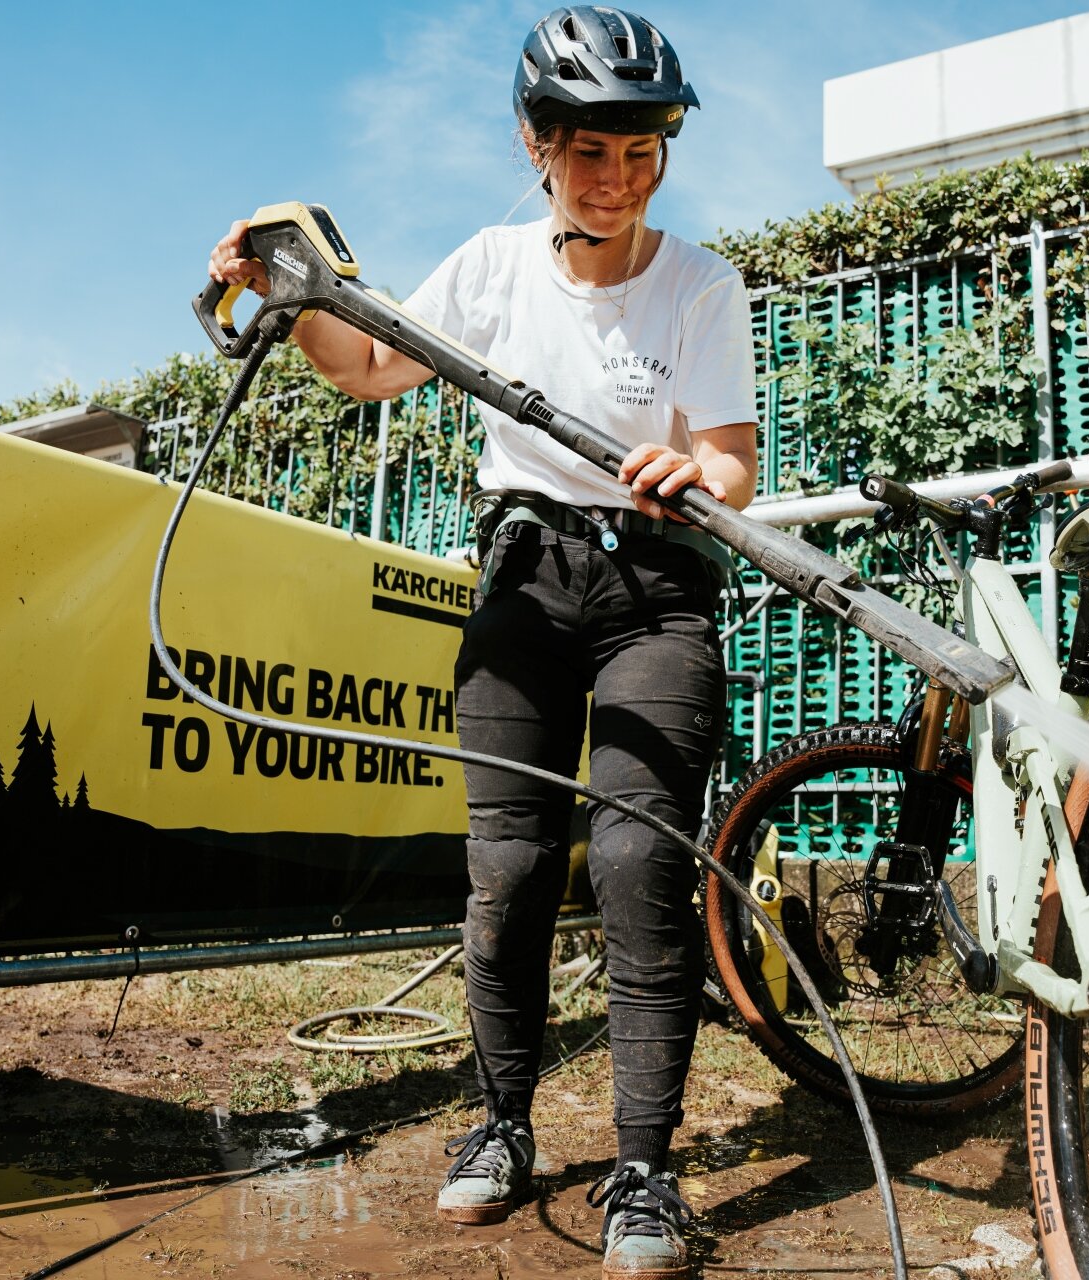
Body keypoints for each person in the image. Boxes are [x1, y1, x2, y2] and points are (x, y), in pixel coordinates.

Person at [208, 7, 756, 1275]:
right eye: (588, 151)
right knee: (508, 870)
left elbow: (731, 460)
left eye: (640, 152)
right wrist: (284, 293)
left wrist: (699, 473)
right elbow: (366, 363)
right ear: (535, 144)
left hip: (658, 587)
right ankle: (502, 1122)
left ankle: (644, 1171)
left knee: (636, 863)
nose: (615, 179)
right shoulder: (492, 268)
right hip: (525, 580)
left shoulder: (701, 283)